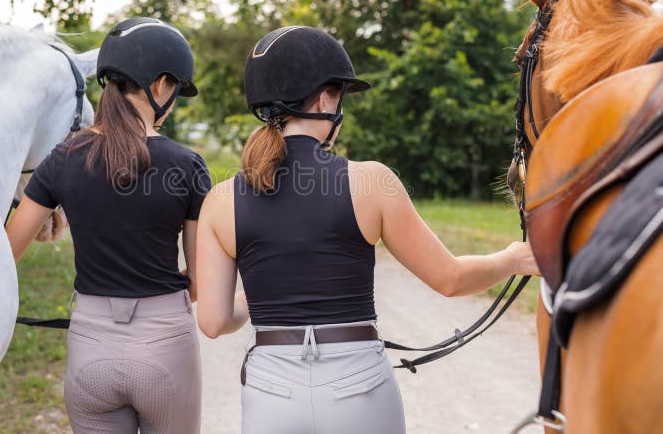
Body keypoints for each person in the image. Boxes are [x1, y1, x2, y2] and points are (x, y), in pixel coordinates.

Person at [195, 26, 539, 434]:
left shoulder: (220, 200)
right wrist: (514, 257)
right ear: (324, 99)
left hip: (272, 390)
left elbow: (214, 322)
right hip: (358, 386)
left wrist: (270, 290)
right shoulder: (371, 182)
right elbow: (451, 279)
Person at [7, 17, 211, 434]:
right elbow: (200, 284)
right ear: (160, 85)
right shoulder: (187, 166)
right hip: (165, 351)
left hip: (90, 351)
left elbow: (6, 252)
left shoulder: (63, 157)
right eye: (175, 90)